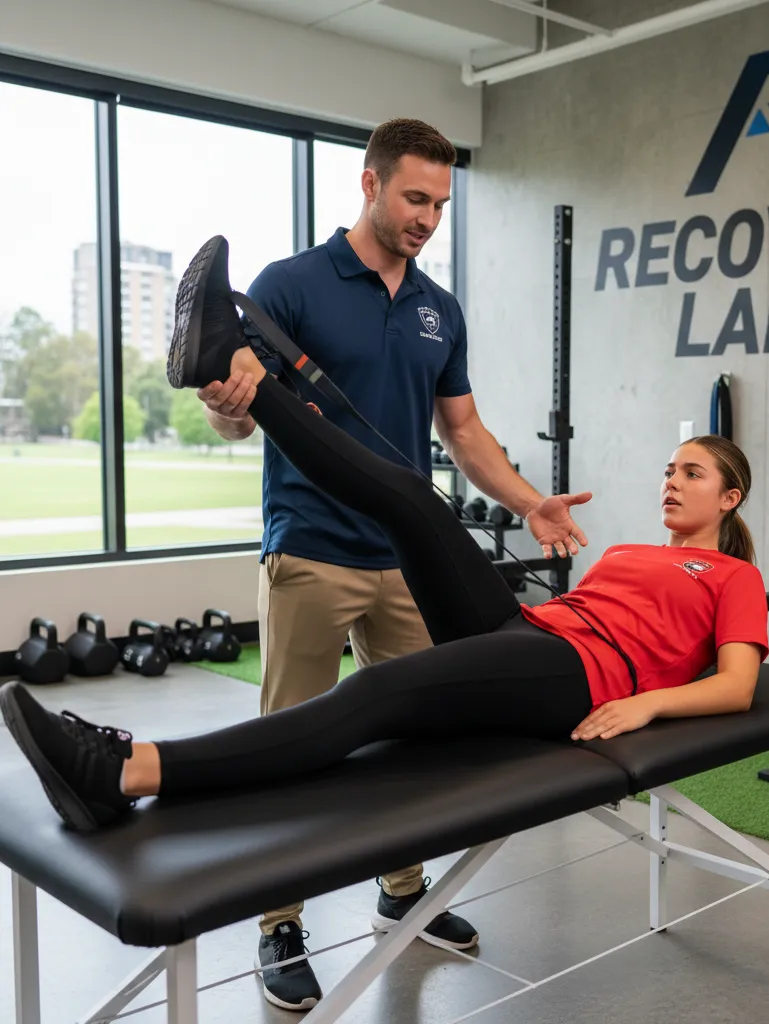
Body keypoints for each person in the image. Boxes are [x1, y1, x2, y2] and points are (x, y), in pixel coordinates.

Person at [0, 239, 768, 1007]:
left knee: (376, 693)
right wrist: (531, 515)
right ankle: (225, 361)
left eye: (691, 473)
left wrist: (647, 703)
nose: (671, 481)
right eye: (669, 468)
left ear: (729, 499)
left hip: (576, 678)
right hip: (532, 634)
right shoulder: (634, 551)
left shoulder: (735, 577)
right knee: (408, 497)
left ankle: (125, 770)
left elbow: (735, 686)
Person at [194, 119, 590, 1008]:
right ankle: (280, 922)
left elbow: (464, 430)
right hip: (311, 545)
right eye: (415, 198)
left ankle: (401, 891)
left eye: (442, 204)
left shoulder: (438, 309)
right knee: (289, 743)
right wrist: (226, 405)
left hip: (406, 558)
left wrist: (531, 501)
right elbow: (238, 411)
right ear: (368, 184)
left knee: (416, 739)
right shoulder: (289, 284)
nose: (428, 218)